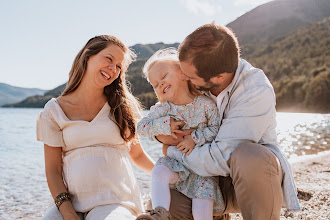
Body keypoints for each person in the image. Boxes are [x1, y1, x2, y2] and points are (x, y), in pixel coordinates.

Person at [157, 23, 301, 220]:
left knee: (249, 155)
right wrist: (162, 135)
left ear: (219, 77)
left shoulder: (255, 90)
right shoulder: (197, 81)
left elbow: (220, 159)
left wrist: (171, 150)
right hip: (207, 183)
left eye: (189, 76)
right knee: (163, 201)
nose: (183, 78)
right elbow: (166, 118)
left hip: (251, 182)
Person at [36, 35, 155, 220]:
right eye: (109, 59)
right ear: (87, 56)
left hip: (115, 201)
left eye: (119, 66)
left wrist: (170, 176)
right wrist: (68, 213)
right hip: (71, 202)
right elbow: (53, 170)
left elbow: (137, 155)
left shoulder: (122, 106)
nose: (113, 69)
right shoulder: (53, 110)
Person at [135, 48, 225, 220]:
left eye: (163, 77)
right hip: (176, 166)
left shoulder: (206, 104)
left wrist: (194, 138)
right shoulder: (164, 109)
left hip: (202, 172)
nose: (159, 84)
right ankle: (159, 213)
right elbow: (142, 127)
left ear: (183, 74)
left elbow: (216, 130)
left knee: (201, 209)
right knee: (159, 172)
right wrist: (164, 125)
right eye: (155, 84)